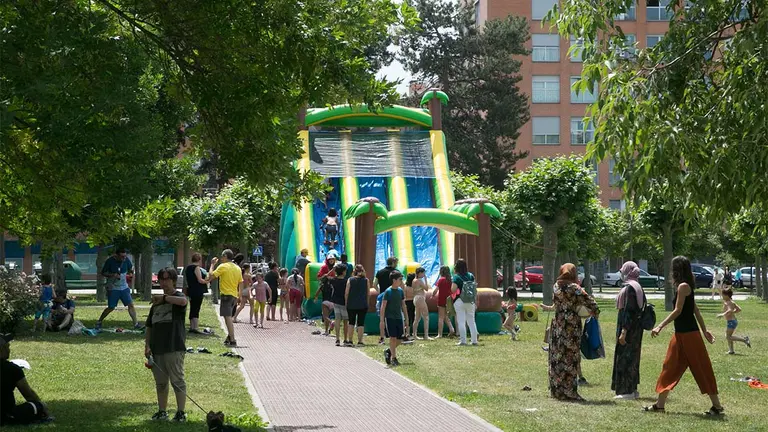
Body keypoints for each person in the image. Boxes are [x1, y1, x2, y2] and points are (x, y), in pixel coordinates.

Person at [645, 256, 723, 416]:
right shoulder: (685, 287)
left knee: (702, 368)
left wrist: (660, 325)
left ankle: (717, 406)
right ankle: (660, 405)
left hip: (690, 336)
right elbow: (696, 310)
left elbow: (679, 310)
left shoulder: (683, 287)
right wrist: (705, 330)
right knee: (669, 367)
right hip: (681, 335)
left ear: (677, 270)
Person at [539, 263, 599, 402]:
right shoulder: (575, 288)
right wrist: (592, 313)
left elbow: (556, 304)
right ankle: (570, 392)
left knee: (557, 357)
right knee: (570, 359)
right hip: (571, 328)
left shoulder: (556, 286)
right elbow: (592, 304)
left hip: (558, 326)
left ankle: (556, 390)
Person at [145, 267, 189, 422]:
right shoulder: (156, 303)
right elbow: (149, 326)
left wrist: (164, 298)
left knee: (177, 381)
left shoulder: (177, 296)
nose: (163, 282)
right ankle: (162, 411)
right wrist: (147, 346)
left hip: (174, 346)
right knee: (161, 383)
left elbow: (183, 302)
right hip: (157, 349)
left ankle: (181, 412)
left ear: (174, 280)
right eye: (161, 279)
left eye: (167, 279)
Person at [612, 261, 646, 400]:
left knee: (625, 358)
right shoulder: (637, 286)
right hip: (636, 329)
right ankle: (632, 389)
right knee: (632, 357)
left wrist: (624, 331)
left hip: (629, 329)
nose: (621, 273)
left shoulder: (630, 288)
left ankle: (627, 391)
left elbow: (629, 311)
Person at [1, 334, 51, 426]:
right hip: (6, 415)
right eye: (7, 347)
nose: (9, 350)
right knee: (38, 406)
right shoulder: (12, 369)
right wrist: (42, 406)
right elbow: (29, 395)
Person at [97, 248, 141, 330]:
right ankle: (99, 321)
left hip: (124, 287)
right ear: (116, 255)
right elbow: (103, 273)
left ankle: (136, 324)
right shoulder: (110, 261)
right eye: (122, 256)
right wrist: (113, 275)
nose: (124, 258)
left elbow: (130, 269)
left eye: (125, 256)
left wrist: (131, 274)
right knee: (111, 307)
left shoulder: (126, 260)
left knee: (131, 305)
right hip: (113, 287)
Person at [205, 249, 242, 347]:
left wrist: (212, 264)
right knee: (227, 317)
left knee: (227, 317)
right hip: (234, 295)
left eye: (222, 256)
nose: (221, 258)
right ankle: (229, 337)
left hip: (226, 295)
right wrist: (240, 295)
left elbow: (210, 276)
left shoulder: (223, 266)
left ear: (225, 256)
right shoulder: (237, 268)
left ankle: (233, 339)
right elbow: (240, 282)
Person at [380, 271, 409, 366]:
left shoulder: (400, 291)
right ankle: (394, 358)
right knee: (392, 338)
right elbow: (383, 306)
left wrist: (406, 318)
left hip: (399, 317)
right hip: (390, 317)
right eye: (400, 279)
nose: (401, 281)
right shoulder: (388, 292)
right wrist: (382, 319)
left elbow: (403, 305)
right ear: (394, 280)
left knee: (400, 339)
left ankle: (389, 351)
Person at [451, 259, 478, 346]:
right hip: (470, 301)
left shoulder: (456, 277)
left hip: (459, 300)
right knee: (471, 321)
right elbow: (475, 289)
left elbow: (453, 289)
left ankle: (463, 341)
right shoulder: (471, 275)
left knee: (461, 321)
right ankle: (474, 341)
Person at [717, 287, 751, 354]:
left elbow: (730, 310)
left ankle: (744, 340)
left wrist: (722, 314)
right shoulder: (731, 302)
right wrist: (732, 312)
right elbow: (739, 309)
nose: (722, 296)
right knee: (728, 336)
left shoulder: (728, 302)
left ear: (726, 295)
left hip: (731, 322)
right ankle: (731, 350)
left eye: (722, 295)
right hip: (732, 321)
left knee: (728, 337)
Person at [183, 253, 209, 334]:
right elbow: (200, 280)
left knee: (192, 307)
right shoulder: (196, 268)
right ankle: (195, 327)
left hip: (190, 290)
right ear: (199, 260)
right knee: (196, 308)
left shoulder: (187, 268)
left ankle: (191, 326)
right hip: (197, 290)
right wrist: (207, 281)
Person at [345, 264, 370, 346]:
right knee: (361, 323)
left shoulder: (350, 280)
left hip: (351, 304)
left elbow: (347, 292)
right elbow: (368, 293)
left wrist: (346, 302)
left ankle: (350, 340)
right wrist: (367, 302)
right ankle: (360, 341)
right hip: (362, 304)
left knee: (351, 322)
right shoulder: (366, 280)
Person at [330, 263, 350, 346]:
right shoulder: (346, 281)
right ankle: (345, 339)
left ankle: (337, 339)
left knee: (337, 320)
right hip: (344, 302)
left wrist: (332, 270)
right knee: (346, 321)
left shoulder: (333, 280)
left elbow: (323, 278)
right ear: (344, 272)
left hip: (335, 301)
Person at [433, 266, 455, 338]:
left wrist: (432, 295)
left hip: (441, 299)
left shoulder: (441, 280)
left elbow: (435, 290)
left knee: (441, 317)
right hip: (449, 299)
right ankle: (451, 329)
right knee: (446, 316)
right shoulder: (450, 280)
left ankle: (440, 334)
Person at [411, 267, 432, 341]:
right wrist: (426, 280)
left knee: (417, 317)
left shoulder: (414, 280)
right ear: (419, 273)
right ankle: (426, 335)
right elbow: (426, 288)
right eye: (423, 273)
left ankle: (414, 335)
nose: (424, 274)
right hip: (420, 298)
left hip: (416, 299)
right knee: (426, 317)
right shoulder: (419, 281)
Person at [404, 273, 416, 339]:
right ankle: (414, 332)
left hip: (407, 302)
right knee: (413, 317)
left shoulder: (406, 287)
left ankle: (407, 332)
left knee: (407, 318)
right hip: (413, 302)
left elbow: (404, 295)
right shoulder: (414, 287)